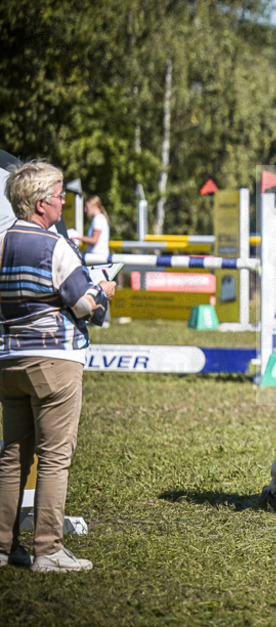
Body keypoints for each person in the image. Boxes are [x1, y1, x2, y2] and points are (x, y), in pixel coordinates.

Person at [0, 161, 116, 572]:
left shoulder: (1, 242)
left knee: (12, 457)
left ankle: (3, 547)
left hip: (9, 361)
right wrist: (104, 292)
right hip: (55, 361)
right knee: (54, 457)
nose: (64, 202)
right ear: (40, 203)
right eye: (59, 195)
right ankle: (48, 550)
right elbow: (86, 305)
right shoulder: (55, 245)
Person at [78, 194, 111, 261]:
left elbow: (94, 240)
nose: (85, 210)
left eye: (87, 207)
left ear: (95, 206)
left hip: (97, 256)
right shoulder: (99, 218)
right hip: (98, 256)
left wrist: (79, 238)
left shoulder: (98, 219)